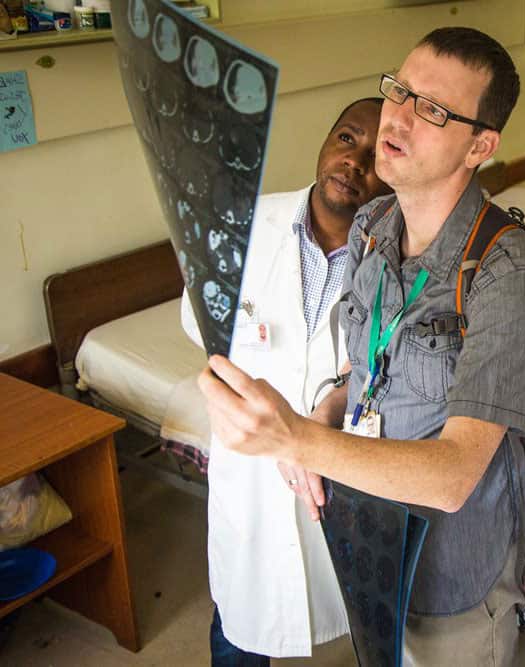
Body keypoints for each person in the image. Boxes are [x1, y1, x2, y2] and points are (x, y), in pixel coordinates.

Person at [197, 27, 525, 667]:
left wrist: (296, 440)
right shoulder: (371, 227)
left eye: (434, 110)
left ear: (480, 145)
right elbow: (361, 368)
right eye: (400, 90)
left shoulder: (509, 272)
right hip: (370, 538)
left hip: (453, 573)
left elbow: (452, 478)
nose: (398, 118)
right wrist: (325, 413)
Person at [181, 97, 391, 664]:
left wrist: (331, 404)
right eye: (346, 139)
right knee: (240, 622)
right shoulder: (245, 223)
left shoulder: (396, 252)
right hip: (249, 466)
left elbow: (383, 358)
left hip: (338, 457)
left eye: (375, 156)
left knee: (363, 618)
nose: (354, 161)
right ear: (325, 143)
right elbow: (198, 320)